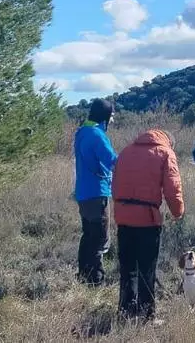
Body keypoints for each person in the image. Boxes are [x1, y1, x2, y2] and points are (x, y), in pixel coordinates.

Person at [111, 129, 184, 323]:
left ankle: (125, 311)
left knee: (127, 268)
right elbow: (173, 188)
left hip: (123, 217)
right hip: (147, 219)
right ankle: (146, 315)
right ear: (169, 142)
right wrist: (178, 212)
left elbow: (115, 184)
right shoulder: (165, 153)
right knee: (147, 269)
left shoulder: (126, 151)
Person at [73, 99, 118, 286]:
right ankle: (96, 281)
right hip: (97, 192)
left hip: (83, 193)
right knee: (99, 238)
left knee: (88, 236)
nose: (112, 120)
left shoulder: (82, 132)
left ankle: (84, 276)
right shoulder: (97, 135)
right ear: (104, 116)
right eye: (111, 115)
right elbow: (113, 161)